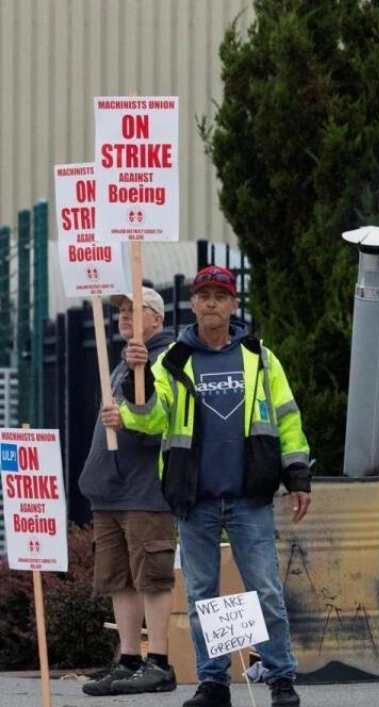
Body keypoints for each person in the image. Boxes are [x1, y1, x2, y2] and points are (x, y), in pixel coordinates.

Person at [106, 265, 312, 707]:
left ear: (234, 304)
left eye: (221, 295)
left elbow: (288, 418)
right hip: (194, 498)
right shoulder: (173, 360)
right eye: (204, 295)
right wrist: (138, 387)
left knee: (267, 592)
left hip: (248, 496)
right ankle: (213, 683)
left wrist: (297, 476)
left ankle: (281, 679)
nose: (212, 303)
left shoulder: (260, 357)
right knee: (202, 597)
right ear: (194, 304)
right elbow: (151, 421)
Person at [79, 287, 178, 696]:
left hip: (145, 491)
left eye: (136, 310)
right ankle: (129, 658)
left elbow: (163, 418)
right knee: (119, 579)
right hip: (112, 492)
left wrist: (146, 377)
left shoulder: (165, 360)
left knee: (151, 578)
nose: (125, 316)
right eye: (121, 310)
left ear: (156, 319)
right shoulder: (121, 363)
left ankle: (158, 661)